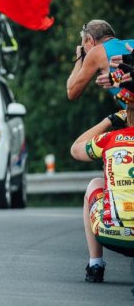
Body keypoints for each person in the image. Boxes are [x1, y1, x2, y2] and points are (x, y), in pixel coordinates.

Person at [70, 105, 134, 283]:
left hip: (111, 235)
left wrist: (110, 120)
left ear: (126, 114)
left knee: (95, 184)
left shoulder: (110, 138)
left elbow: (76, 149)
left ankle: (95, 265)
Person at [66, 20, 134, 105]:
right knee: (109, 119)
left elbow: (72, 93)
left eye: (84, 47)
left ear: (90, 40)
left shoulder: (96, 53)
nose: (85, 52)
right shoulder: (131, 43)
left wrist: (79, 59)